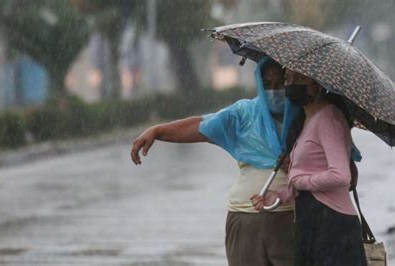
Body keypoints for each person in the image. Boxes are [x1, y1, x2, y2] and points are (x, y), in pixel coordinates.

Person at [131, 57, 300, 266]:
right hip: (245, 217)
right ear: (258, 84)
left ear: (291, 82)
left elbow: (334, 165)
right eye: (267, 85)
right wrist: (157, 131)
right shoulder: (243, 114)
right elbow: (201, 126)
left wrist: (297, 165)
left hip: (291, 218)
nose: (274, 91)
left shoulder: (306, 115)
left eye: (280, 84)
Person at [251, 70, 367, 266]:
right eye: (288, 78)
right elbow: (307, 172)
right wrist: (279, 196)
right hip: (311, 222)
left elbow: (340, 176)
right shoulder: (305, 121)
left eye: (300, 79)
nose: (291, 84)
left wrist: (301, 181)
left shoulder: (329, 118)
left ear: (319, 84)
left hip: (332, 224)